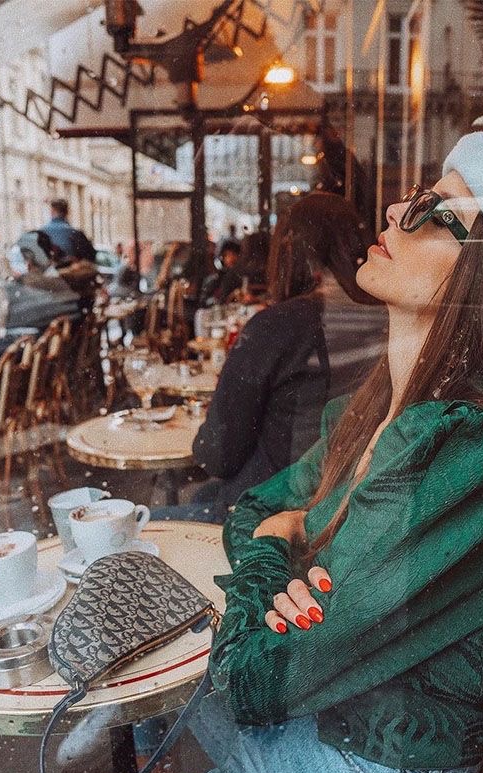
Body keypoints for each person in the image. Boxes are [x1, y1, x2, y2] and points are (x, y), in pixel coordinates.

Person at [0, 132, 483, 773]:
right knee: (140, 634)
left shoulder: (467, 446)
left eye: (433, 210)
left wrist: (275, 551)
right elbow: (257, 507)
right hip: (317, 721)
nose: (395, 210)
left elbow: (255, 677)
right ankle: (119, 758)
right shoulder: (380, 409)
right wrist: (278, 550)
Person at [163, 192, 386, 524]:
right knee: (203, 495)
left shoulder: (280, 326)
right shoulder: (387, 319)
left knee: (152, 519)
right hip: (351, 501)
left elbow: (219, 454)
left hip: (277, 515)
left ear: (290, 252)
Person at [0, 230, 83, 365]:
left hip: (35, 358)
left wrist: (0, 332)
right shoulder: (54, 279)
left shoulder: (36, 282)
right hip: (51, 353)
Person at [41, 198, 96, 264]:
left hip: (46, 272)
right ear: (67, 212)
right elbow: (91, 257)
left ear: (52, 211)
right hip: (70, 272)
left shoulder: (41, 232)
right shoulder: (76, 234)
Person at [198, 238, 241, 307]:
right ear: (222, 257)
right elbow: (204, 301)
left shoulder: (239, 277)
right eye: (229, 254)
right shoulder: (215, 278)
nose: (232, 258)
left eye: (235, 254)